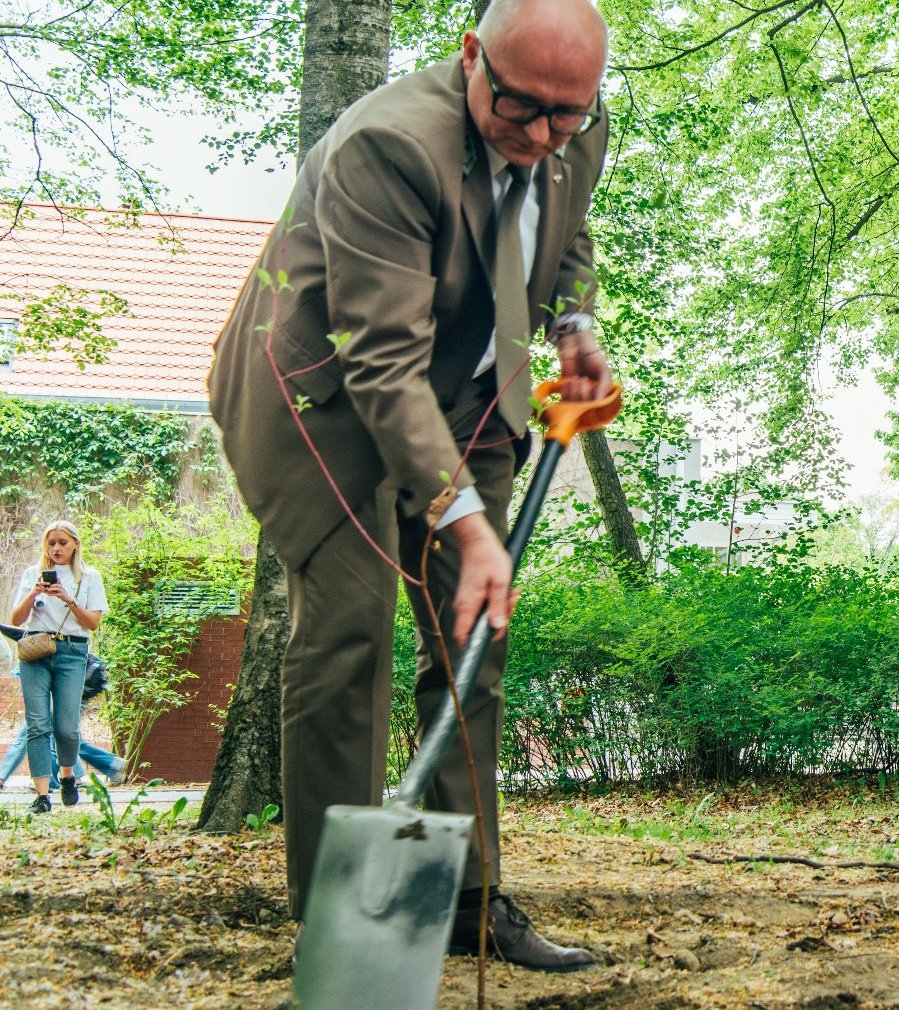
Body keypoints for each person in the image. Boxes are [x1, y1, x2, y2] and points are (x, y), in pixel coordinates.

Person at [207, 0, 614, 971]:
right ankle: (344, 927)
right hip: (326, 407)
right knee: (349, 638)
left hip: (470, 389)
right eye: (522, 110)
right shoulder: (385, 149)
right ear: (471, 56)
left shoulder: (572, 121)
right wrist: (469, 527)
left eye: (568, 114)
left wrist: (572, 321)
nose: (545, 135)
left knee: (472, 637)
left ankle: (468, 899)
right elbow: (381, 367)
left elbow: (564, 237)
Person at [7, 520, 109, 814]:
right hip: (36, 651)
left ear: (75, 544)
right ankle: (41, 796)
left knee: (66, 727)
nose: (56, 548)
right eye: (51, 543)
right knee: (37, 724)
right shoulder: (32, 574)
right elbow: (16, 619)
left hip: (72, 652)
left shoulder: (89, 577)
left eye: (62, 543)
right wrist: (34, 593)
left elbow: (92, 623)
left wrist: (67, 597)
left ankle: (67, 775)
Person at [0, 652, 126, 790]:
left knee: (58, 735)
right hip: (70, 689)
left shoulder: (48, 639)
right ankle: (93, 769)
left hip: (58, 691)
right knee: (64, 735)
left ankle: (51, 780)